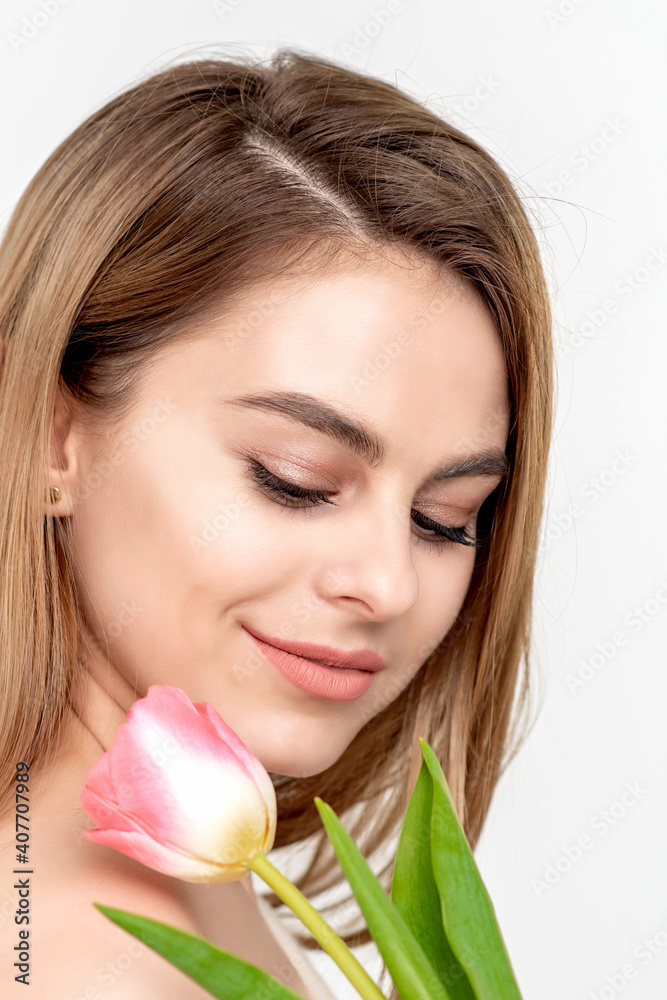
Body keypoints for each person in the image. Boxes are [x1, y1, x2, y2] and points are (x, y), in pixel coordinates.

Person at [0, 48, 553, 999]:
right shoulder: (96, 966)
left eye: (445, 519)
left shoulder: (186, 888)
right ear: (51, 439)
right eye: (294, 480)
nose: (385, 585)